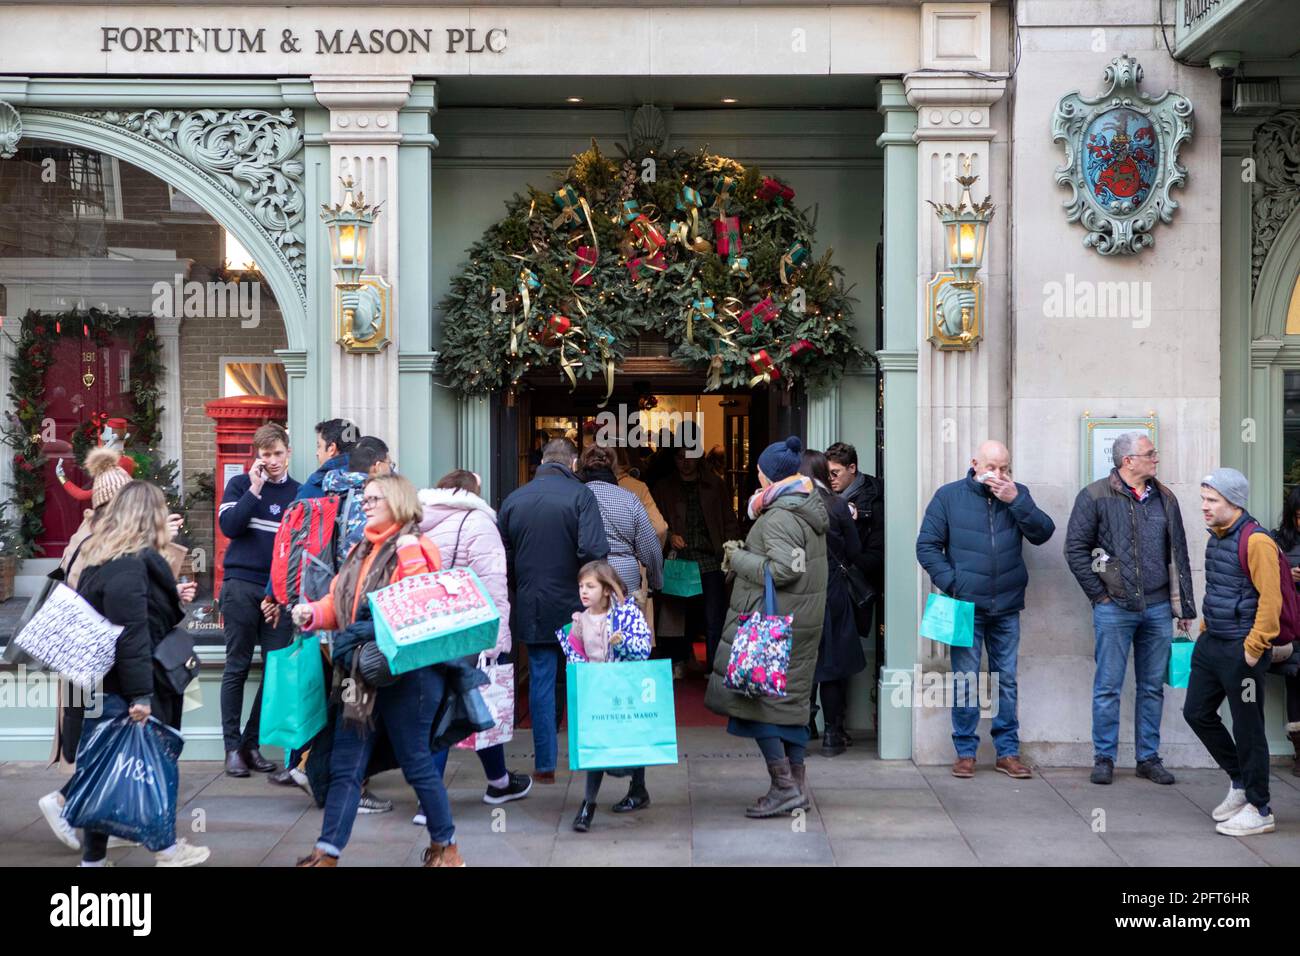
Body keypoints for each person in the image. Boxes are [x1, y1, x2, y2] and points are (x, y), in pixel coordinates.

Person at [292, 474, 465, 867]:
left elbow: (420, 603)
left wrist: (406, 548)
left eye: (374, 499)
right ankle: (327, 853)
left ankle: (447, 847)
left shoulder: (418, 546)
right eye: (365, 499)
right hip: (360, 671)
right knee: (345, 766)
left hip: (410, 674)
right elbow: (339, 605)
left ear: (398, 502)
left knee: (416, 762)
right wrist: (311, 614)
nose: (366, 504)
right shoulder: (360, 551)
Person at [62, 481, 208, 867]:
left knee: (108, 768)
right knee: (151, 765)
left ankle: (93, 861)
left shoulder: (107, 559)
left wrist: (170, 595)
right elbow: (132, 635)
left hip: (112, 683)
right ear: (149, 517)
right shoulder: (128, 565)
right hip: (132, 684)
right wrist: (141, 696)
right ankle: (167, 850)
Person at [916, 440, 1055, 780]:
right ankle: (965, 752)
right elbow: (927, 545)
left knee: (1006, 679)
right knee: (965, 679)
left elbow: (1044, 533)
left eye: (1005, 468)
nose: (998, 474)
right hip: (964, 605)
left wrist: (1016, 501)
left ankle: (1007, 752)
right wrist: (954, 583)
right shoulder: (948, 496)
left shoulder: (1016, 494)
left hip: (1006, 604)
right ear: (974, 464)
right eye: (992, 467)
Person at [1064, 431, 1197, 786]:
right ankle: (1104, 758)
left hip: (1157, 609)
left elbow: (1178, 553)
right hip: (1114, 608)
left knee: (1152, 686)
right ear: (1128, 461)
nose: (1156, 458)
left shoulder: (1165, 497)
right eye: (1150, 453)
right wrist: (1100, 596)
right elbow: (1076, 550)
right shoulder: (1094, 496)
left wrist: (1183, 604)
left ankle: (1148, 758)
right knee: (1108, 685)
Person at [704, 436, 827, 817]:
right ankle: (796, 786)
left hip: (773, 626)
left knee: (753, 703)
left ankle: (785, 787)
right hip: (797, 622)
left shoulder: (780, 515)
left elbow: (787, 570)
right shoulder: (803, 507)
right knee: (788, 707)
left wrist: (738, 558)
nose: (755, 475)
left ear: (768, 475)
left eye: (758, 470)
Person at [418, 469, 533, 810]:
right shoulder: (478, 523)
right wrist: (497, 641)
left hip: (428, 630)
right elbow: (494, 583)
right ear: (474, 492)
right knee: (472, 705)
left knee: (456, 706)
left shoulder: (418, 522)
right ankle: (431, 802)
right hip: (468, 630)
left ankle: (499, 782)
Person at [498, 437, 609, 783]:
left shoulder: (515, 500)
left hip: (533, 603)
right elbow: (593, 551)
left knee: (542, 682)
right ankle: (586, 755)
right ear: (573, 463)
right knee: (582, 681)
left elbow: (504, 559)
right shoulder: (581, 495)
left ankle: (545, 764)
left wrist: (523, 587)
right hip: (576, 604)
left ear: (542, 461)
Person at [1184, 469, 1280, 837]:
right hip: (1213, 644)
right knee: (1196, 713)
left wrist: (1254, 649)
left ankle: (1260, 807)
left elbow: (1272, 601)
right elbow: (1220, 589)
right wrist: (1206, 630)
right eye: (1204, 499)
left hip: (1243, 649)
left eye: (1213, 500)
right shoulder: (1218, 537)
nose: (1205, 507)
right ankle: (1240, 782)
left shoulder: (1257, 542)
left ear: (1234, 502)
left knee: (1248, 728)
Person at [217, 422, 299, 777]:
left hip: (276, 594)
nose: (273, 461)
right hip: (239, 587)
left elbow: (298, 548)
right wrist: (255, 489)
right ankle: (232, 748)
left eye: (278, 454)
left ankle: (252, 744)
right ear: (257, 457)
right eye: (266, 455)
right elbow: (230, 527)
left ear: (288, 452)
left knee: (274, 671)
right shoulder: (240, 485)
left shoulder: (299, 493)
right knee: (236, 667)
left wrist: (280, 594)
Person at [563, 560, 654, 831]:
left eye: (590, 586)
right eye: (581, 586)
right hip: (596, 690)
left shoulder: (626, 613)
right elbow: (575, 656)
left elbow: (643, 648)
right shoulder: (580, 619)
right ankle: (588, 805)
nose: (584, 591)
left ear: (606, 589)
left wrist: (622, 642)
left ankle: (638, 789)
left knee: (631, 740)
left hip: (623, 689)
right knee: (597, 748)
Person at [653, 422, 740, 676]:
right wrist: (669, 536)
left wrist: (731, 552)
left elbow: (728, 520)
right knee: (675, 616)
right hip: (679, 558)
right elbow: (654, 523)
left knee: (714, 616)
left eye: (690, 455)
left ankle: (713, 665)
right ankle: (678, 660)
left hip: (710, 558)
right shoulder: (663, 486)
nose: (685, 462)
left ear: (699, 455)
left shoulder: (715, 485)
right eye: (680, 456)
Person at [800, 449, 865, 757]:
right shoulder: (837, 506)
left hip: (800, 595)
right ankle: (832, 736)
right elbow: (854, 551)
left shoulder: (792, 507)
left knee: (804, 664)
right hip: (834, 592)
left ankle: (802, 727)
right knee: (832, 666)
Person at [579, 444, 664, 605]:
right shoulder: (630, 499)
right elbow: (650, 547)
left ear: (583, 465)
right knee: (623, 627)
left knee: (590, 627)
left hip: (587, 578)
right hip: (624, 580)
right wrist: (655, 581)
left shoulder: (576, 498)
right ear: (614, 467)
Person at [826, 441, 885, 641]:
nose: (830, 479)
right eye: (827, 474)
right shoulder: (829, 498)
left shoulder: (873, 498)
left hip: (854, 583)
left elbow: (877, 551)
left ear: (852, 468)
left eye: (835, 473)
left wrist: (851, 569)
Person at [1270, 484, 1300, 775]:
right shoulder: (1277, 541)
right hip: (1292, 622)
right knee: (1295, 678)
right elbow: (1261, 579)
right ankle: (1298, 753)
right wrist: (1286, 575)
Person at [295, 418, 358, 501]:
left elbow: (295, 512)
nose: (317, 453)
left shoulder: (315, 484)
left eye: (319, 446)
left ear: (331, 449)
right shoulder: (369, 481)